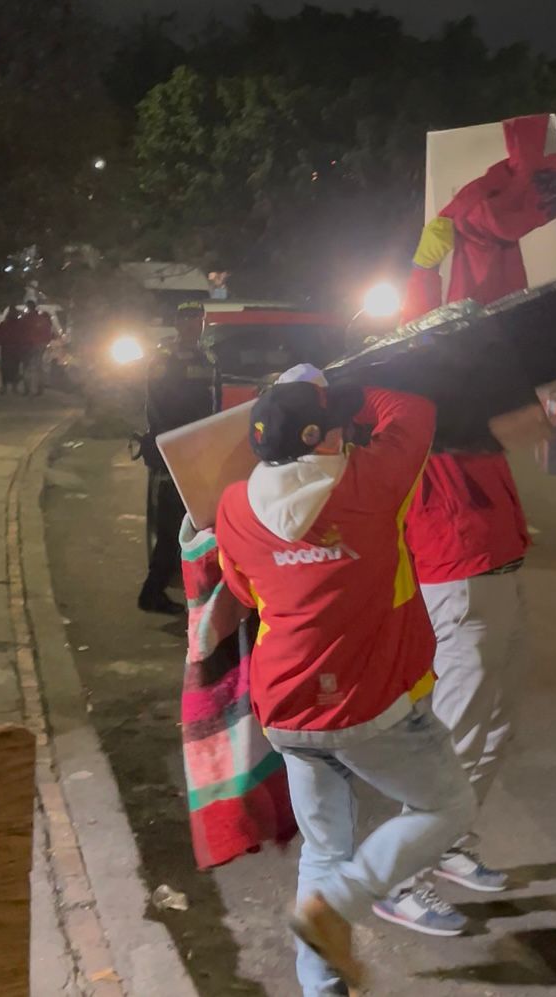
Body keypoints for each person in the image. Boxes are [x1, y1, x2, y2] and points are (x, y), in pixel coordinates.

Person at [214, 370, 474, 996]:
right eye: (341, 425)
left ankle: (322, 983)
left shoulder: (233, 505)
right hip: (364, 706)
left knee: (324, 852)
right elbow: (414, 403)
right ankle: (339, 907)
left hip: (284, 708)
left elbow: (245, 593)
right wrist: (360, 376)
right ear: (325, 439)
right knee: (446, 807)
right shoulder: (370, 482)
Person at [376, 116, 556, 935]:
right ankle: (400, 876)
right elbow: (433, 337)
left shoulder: (458, 393)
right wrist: (435, 262)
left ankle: (449, 842)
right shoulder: (411, 402)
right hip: (456, 574)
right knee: (457, 726)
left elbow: (469, 337)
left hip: (491, 566)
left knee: (493, 722)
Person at [137, 301, 213, 615]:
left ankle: (180, 586)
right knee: (169, 524)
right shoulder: (164, 359)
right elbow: (155, 406)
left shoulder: (207, 358)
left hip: (197, 449)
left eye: (199, 319)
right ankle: (152, 591)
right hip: (173, 450)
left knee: (190, 523)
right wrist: (173, 442)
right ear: (178, 323)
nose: (195, 324)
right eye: (188, 319)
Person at [19, 300, 53, 396]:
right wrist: (45, 342)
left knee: (27, 367)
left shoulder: (25, 319)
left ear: (28, 307)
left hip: (28, 345)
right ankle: (40, 389)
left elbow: (21, 332)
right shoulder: (41, 319)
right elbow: (47, 332)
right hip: (40, 345)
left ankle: (27, 389)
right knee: (39, 367)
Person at [0, 307, 24, 395]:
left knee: (5, 368)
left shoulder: (4, 324)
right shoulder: (19, 325)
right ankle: (14, 387)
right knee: (15, 368)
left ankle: (4, 387)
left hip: (6, 348)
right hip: (16, 348)